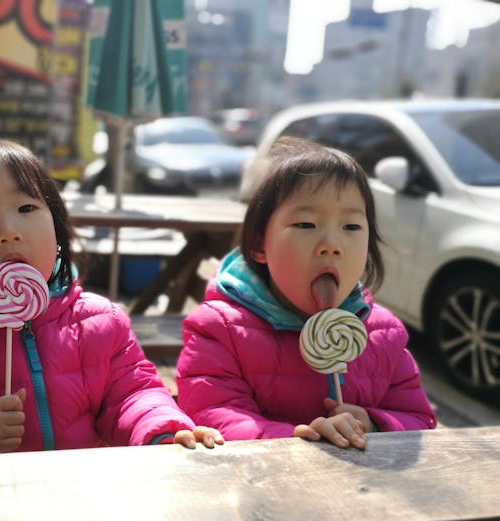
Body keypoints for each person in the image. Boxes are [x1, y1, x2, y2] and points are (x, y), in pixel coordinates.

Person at [0, 137, 223, 459]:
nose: (9, 232)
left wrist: (159, 430)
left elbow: (132, 395)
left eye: (26, 208)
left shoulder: (101, 323)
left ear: (58, 226)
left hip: (79, 506)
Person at [176, 136, 436, 450]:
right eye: (306, 224)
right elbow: (213, 415)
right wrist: (300, 439)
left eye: (351, 227)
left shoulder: (384, 334)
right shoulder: (220, 329)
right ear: (260, 244)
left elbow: (418, 420)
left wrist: (373, 422)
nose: (332, 245)